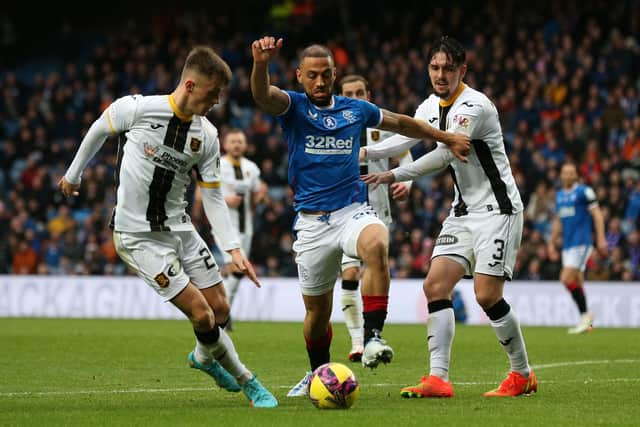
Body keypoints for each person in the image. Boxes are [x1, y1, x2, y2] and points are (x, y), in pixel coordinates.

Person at [249, 36, 471, 397]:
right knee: (317, 317)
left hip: (352, 210)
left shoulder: (356, 109)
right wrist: (260, 64)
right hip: (310, 223)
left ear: (334, 74)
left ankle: (372, 338)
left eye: (325, 75)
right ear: (300, 77)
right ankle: (317, 373)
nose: (320, 82)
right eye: (312, 76)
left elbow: (403, 123)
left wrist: (445, 137)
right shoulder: (294, 107)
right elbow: (262, 95)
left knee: (377, 240)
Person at [58, 46, 278, 408]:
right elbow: (99, 128)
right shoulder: (138, 109)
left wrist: (234, 250)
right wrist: (72, 175)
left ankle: (204, 358)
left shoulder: (206, 135)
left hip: (181, 229)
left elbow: (213, 196)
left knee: (220, 310)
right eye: (213, 93)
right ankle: (249, 381)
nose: (217, 101)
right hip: (137, 236)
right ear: (190, 85)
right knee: (202, 314)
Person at [361, 36, 537, 398]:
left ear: (463, 70)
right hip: (463, 210)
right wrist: (364, 151)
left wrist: (393, 174)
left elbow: (443, 154)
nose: (440, 75)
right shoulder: (430, 104)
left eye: (448, 68)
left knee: (487, 295)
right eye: (435, 68)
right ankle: (438, 378)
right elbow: (406, 139)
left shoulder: (474, 105)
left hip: (497, 209)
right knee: (435, 286)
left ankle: (522, 374)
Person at [337, 74, 413, 362]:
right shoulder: (334, 128)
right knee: (349, 273)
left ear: (369, 95)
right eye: (349, 93)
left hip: (379, 214)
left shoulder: (382, 126)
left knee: (372, 269)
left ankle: (370, 335)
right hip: (343, 213)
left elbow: (406, 157)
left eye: (360, 93)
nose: (355, 98)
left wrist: (407, 182)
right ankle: (358, 341)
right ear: (341, 96)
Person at [215, 128, 269, 330]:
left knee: (234, 273)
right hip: (223, 226)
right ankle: (222, 314)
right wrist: (225, 199)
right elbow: (206, 193)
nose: (236, 145)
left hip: (246, 227)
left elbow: (258, 196)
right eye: (233, 141)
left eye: (240, 141)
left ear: (245, 145)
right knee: (239, 268)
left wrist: (262, 196)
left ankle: (223, 312)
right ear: (225, 145)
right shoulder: (218, 165)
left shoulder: (251, 168)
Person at [547, 162, 607, 334]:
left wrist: (601, 239)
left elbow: (597, 214)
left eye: (571, 173)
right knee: (577, 281)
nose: (567, 176)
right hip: (567, 244)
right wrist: (552, 242)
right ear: (561, 175)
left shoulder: (584, 191)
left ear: (576, 175)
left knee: (566, 278)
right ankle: (586, 322)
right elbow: (559, 221)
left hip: (582, 242)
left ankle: (585, 315)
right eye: (564, 173)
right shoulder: (559, 196)